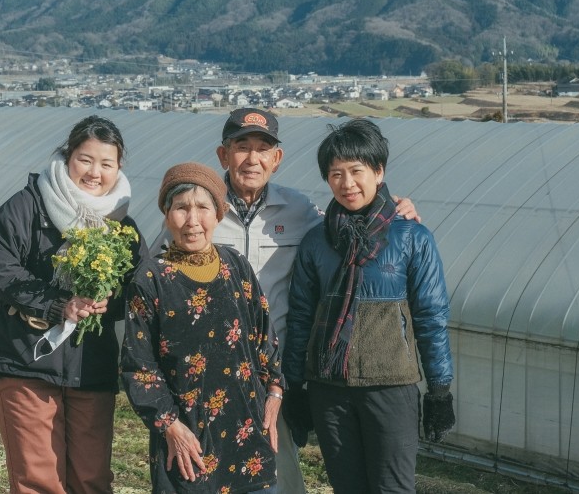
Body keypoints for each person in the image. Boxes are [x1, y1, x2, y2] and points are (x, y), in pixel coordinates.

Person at [150, 108, 419, 493]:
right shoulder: (197, 210)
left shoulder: (300, 211)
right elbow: (157, 281)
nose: (252, 158)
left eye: (263, 149)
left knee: (278, 474)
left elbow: (353, 221)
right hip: (208, 373)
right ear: (223, 155)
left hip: (274, 373)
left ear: (277, 159)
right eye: (241, 147)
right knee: (207, 472)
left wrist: (395, 207)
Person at [283, 119, 455, 494]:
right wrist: (295, 386)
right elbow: (300, 318)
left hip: (391, 387)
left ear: (379, 172)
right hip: (329, 389)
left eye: (357, 171)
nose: (347, 184)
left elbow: (431, 316)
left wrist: (440, 390)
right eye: (336, 174)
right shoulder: (316, 241)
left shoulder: (412, 237)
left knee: (392, 488)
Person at [0, 116, 145, 494]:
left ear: (118, 168)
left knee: (92, 479)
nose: (94, 172)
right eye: (85, 159)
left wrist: (109, 301)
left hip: (91, 367)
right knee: (39, 479)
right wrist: (56, 304)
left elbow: (139, 286)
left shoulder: (122, 224)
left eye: (106, 164)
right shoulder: (29, 206)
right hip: (27, 361)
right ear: (68, 156)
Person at [122, 162, 284, 493]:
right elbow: (140, 366)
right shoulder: (151, 279)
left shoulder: (235, 265)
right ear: (167, 215)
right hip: (187, 435)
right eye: (181, 208)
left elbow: (263, 335)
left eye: (202, 208)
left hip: (246, 425)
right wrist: (170, 427)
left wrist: (275, 392)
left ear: (218, 213)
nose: (192, 221)